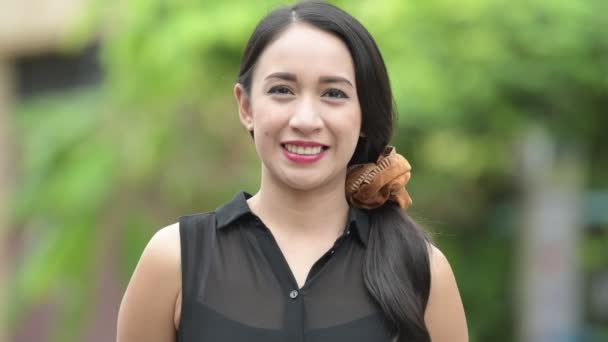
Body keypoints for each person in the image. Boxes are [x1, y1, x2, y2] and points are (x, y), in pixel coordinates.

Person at [116, 1, 468, 341]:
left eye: (333, 93)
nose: (305, 120)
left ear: (364, 116)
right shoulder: (175, 260)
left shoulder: (422, 271)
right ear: (246, 106)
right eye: (282, 90)